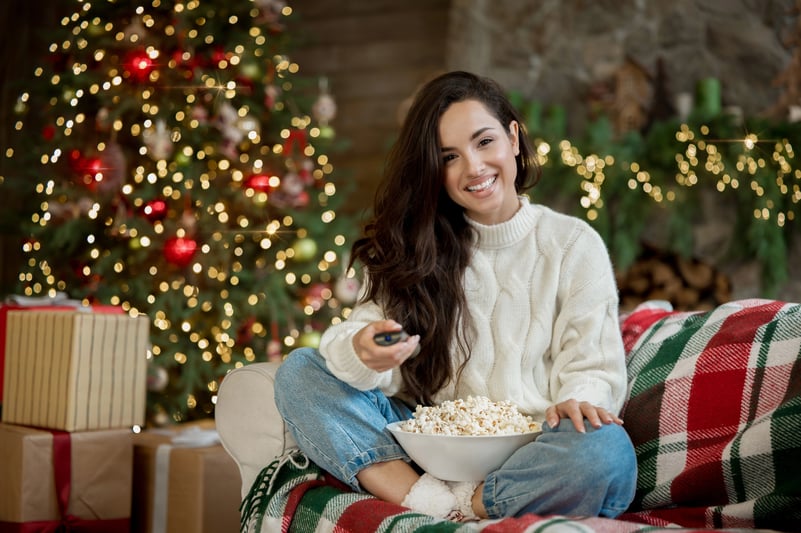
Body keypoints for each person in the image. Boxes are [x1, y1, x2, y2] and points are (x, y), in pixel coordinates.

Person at [274, 70, 637, 521]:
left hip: (531, 452)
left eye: (484, 142)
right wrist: (365, 351)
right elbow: (360, 342)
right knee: (300, 372)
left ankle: (462, 505)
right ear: (432, 170)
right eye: (449, 157)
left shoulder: (572, 244)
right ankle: (427, 497)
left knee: (605, 451)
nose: (474, 168)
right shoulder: (410, 246)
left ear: (514, 138)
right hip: (427, 449)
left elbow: (593, 367)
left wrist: (580, 397)